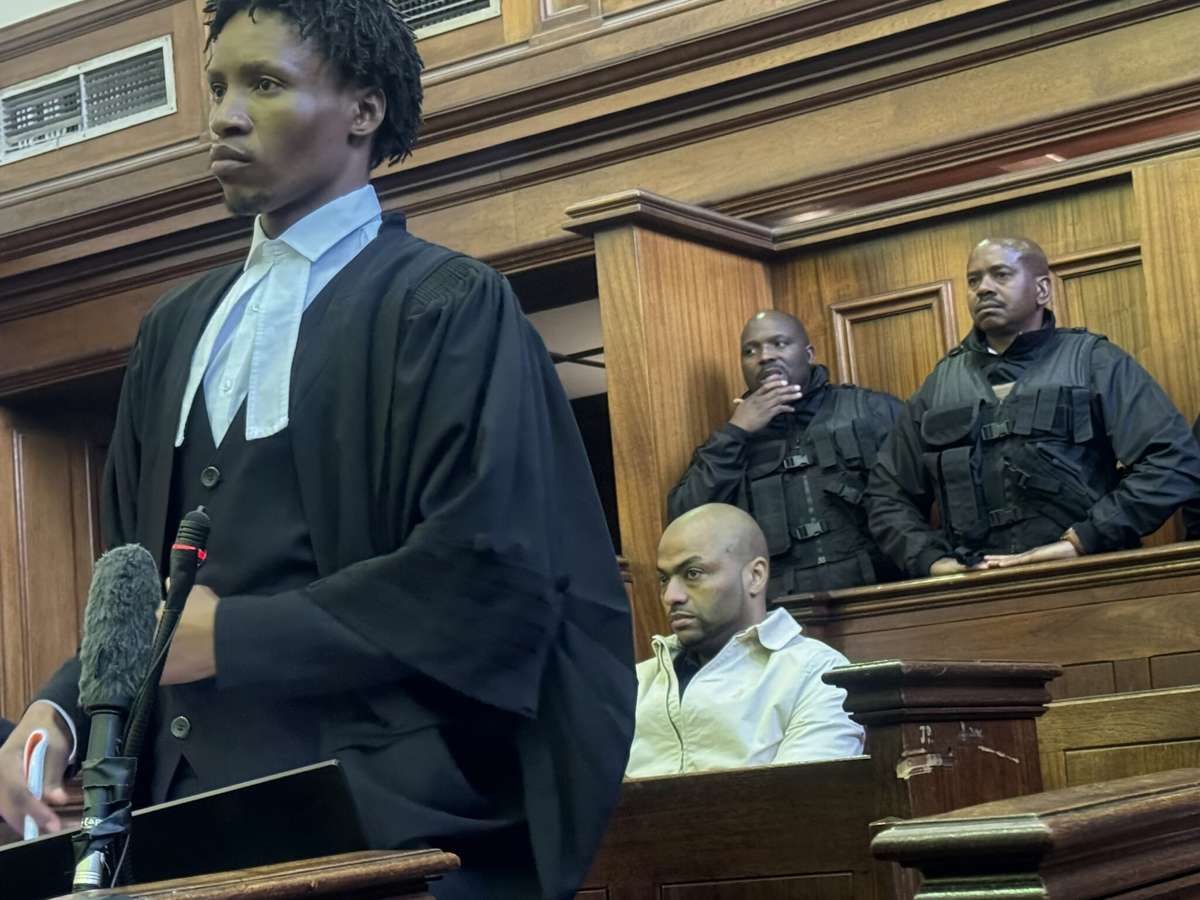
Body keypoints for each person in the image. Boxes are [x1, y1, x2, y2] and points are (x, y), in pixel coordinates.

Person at [0, 2, 635, 897]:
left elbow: (487, 577)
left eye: (265, 84)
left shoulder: (447, 305)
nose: (225, 116)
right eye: (218, 86)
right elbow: (135, 594)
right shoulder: (173, 329)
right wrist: (61, 707)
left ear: (364, 111)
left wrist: (235, 638)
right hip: (168, 819)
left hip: (378, 817)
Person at [867, 236, 1200, 578]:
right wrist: (931, 560)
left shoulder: (1094, 361)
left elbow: (1173, 459)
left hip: (1091, 577)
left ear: (1042, 290)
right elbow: (887, 496)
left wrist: (1084, 540)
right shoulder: (939, 386)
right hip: (977, 589)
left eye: (1001, 275)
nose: (983, 289)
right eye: (973, 280)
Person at [667, 310, 903, 598]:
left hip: (880, 597)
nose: (764, 357)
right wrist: (735, 432)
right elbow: (684, 523)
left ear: (808, 354)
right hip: (781, 610)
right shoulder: (730, 440)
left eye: (779, 344)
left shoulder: (873, 410)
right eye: (750, 351)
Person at [625, 503, 864, 778]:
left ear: (755, 576)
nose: (671, 596)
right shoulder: (636, 683)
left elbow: (804, 796)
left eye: (693, 574)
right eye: (664, 579)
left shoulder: (817, 673)